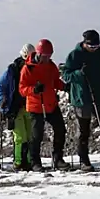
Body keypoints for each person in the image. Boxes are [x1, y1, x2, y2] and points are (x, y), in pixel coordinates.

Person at [61, 30, 100, 171]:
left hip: (99, 95)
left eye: (96, 46)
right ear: (85, 43)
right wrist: (79, 74)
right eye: (91, 47)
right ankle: (84, 161)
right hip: (82, 98)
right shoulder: (74, 55)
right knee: (84, 131)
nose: (94, 49)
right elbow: (66, 74)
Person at [19, 40, 69, 171]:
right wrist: (34, 90)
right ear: (39, 53)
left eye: (49, 55)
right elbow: (22, 89)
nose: (47, 58)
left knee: (60, 130)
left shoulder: (51, 66)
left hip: (51, 104)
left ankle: (58, 158)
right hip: (36, 106)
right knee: (37, 135)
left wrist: (64, 87)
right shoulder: (27, 68)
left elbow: (55, 81)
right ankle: (35, 162)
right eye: (45, 56)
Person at [0, 44, 34, 171]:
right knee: (20, 136)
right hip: (15, 108)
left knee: (30, 135)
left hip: (29, 106)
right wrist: (2, 100)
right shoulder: (12, 70)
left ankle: (28, 161)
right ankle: (19, 161)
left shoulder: (33, 68)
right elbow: (1, 86)